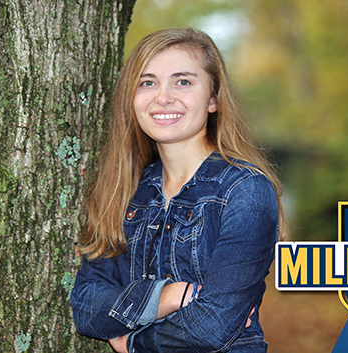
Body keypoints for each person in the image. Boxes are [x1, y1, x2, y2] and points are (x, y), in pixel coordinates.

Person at [71, 28, 288, 353]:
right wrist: (168, 297)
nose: (163, 97)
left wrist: (131, 344)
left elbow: (213, 325)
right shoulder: (123, 190)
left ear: (213, 98)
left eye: (183, 81)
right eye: (148, 82)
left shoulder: (245, 190)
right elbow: (85, 306)